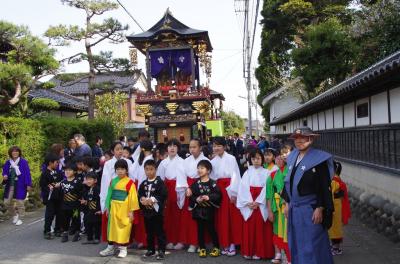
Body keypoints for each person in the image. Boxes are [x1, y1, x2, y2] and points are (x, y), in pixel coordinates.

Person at [282, 127, 334, 264]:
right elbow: (288, 181)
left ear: (310, 139)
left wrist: (320, 207)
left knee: (313, 243)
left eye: (303, 137)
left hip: (310, 209)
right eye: (297, 138)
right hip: (294, 208)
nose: (299, 141)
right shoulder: (293, 156)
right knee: (297, 241)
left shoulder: (319, 159)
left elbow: (324, 186)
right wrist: (286, 203)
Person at [237, 148, 274, 260]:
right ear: (250, 159)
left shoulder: (267, 172)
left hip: (260, 203)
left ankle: (259, 252)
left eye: (258, 158)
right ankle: (249, 251)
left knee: (260, 227)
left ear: (262, 159)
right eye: (253, 158)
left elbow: (267, 189)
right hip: (249, 201)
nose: (256, 161)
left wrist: (258, 202)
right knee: (250, 227)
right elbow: (242, 188)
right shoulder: (247, 172)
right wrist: (248, 202)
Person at [99, 159, 139, 258]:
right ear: (115, 170)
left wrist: (131, 211)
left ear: (126, 170)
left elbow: (133, 197)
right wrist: (107, 207)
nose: (120, 171)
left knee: (124, 228)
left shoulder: (130, 182)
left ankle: (123, 248)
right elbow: (109, 194)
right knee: (111, 228)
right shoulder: (113, 181)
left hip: (125, 208)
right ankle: (110, 247)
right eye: (118, 169)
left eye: (122, 169)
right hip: (113, 207)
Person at [210, 136, 242, 256]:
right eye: (214, 146)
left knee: (231, 217)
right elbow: (212, 178)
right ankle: (224, 243)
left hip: (229, 189)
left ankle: (232, 243)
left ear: (224, 146)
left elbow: (235, 175)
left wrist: (234, 193)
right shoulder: (213, 161)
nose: (216, 148)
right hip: (218, 190)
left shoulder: (231, 158)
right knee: (221, 218)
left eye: (219, 145)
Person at [177, 139, 209, 253]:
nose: (192, 149)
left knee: (201, 218)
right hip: (189, 189)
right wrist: (186, 188)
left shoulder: (205, 160)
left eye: (194, 147)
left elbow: (208, 177)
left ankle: (200, 243)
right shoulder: (186, 161)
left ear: (200, 147)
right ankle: (189, 241)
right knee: (188, 218)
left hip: (201, 189)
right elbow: (181, 176)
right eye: (190, 147)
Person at [99, 142, 135, 243]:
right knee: (112, 221)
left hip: (125, 197)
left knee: (124, 222)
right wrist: (105, 201)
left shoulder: (128, 162)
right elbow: (105, 183)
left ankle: (123, 245)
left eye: (121, 149)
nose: (120, 151)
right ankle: (111, 245)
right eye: (117, 149)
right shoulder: (108, 163)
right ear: (112, 151)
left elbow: (131, 179)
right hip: (113, 196)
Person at [156, 139, 186, 250]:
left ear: (178, 148)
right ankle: (168, 239)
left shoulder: (182, 162)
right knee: (167, 216)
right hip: (166, 189)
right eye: (170, 146)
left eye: (174, 146)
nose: (172, 148)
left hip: (178, 189)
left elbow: (184, 178)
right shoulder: (163, 162)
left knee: (178, 216)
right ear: (166, 149)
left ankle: (180, 240)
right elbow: (160, 178)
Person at [189, 160, 221, 258]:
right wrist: (196, 199)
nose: (199, 170)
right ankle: (202, 248)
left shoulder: (212, 183)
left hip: (209, 210)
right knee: (200, 230)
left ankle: (216, 247)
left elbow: (218, 195)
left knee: (211, 229)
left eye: (202, 168)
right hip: (198, 210)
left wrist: (209, 197)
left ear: (208, 170)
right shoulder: (195, 183)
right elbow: (191, 196)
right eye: (198, 168)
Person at [138, 159, 168, 260]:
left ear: (156, 169)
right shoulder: (144, 183)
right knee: (149, 232)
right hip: (147, 212)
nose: (149, 172)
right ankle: (150, 249)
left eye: (151, 169)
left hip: (157, 212)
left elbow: (163, 195)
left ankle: (161, 250)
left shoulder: (160, 182)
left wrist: (151, 199)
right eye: (146, 169)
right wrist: (142, 199)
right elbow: (140, 193)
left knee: (159, 231)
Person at [266, 153, 291, 264]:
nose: (279, 160)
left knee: (288, 232)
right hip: (277, 206)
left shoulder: (290, 172)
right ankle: (278, 254)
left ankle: (289, 257)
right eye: (277, 158)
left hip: (288, 205)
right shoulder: (272, 175)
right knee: (276, 230)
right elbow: (269, 195)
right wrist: (270, 210)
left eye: (282, 158)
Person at [132, 140, 154, 249]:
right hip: (141, 187)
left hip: (146, 188)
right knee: (142, 216)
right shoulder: (143, 159)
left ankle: (146, 240)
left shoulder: (148, 160)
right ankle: (142, 239)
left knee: (146, 216)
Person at [2, 146, 32, 226]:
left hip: (20, 184)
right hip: (10, 185)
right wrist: (5, 175)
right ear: (10, 153)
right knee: (6, 202)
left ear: (19, 153)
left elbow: (27, 174)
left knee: (20, 202)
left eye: (17, 151)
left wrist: (28, 184)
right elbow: (4, 171)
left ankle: (20, 218)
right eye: (13, 151)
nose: (15, 153)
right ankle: (15, 215)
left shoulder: (23, 162)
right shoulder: (8, 162)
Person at [329, 161, 351, 256]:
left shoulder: (334, 181)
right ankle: (335, 247)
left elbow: (331, 195)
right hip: (337, 206)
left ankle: (335, 248)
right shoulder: (338, 181)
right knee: (336, 227)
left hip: (334, 207)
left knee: (334, 228)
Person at [40, 153, 64, 239]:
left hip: (59, 196)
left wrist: (60, 185)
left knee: (59, 213)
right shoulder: (45, 173)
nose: (57, 164)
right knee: (49, 215)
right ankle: (47, 231)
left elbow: (63, 181)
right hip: (50, 198)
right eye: (56, 162)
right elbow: (42, 185)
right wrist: (48, 187)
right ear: (50, 163)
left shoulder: (59, 172)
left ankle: (58, 229)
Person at [58, 163, 83, 243]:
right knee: (64, 219)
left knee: (76, 219)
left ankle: (77, 233)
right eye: (66, 170)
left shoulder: (77, 181)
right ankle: (65, 233)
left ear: (75, 171)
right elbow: (60, 193)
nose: (67, 172)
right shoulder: (63, 182)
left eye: (70, 170)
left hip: (75, 205)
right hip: (65, 205)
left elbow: (81, 193)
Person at [81, 171, 102, 244]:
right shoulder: (87, 189)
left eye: (90, 179)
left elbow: (100, 200)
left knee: (96, 224)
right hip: (88, 209)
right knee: (87, 223)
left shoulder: (98, 189)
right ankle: (89, 238)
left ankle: (97, 238)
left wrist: (100, 209)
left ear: (95, 180)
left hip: (96, 209)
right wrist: (85, 202)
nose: (88, 181)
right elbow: (88, 199)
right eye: (87, 179)